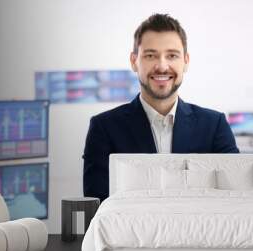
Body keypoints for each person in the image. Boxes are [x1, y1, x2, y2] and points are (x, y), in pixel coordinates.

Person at [83, 14, 239, 201]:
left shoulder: (215, 125)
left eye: (172, 55)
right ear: (134, 61)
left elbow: (236, 199)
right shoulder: (104, 128)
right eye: (150, 55)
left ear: (186, 61)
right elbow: (97, 207)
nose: (162, 66)